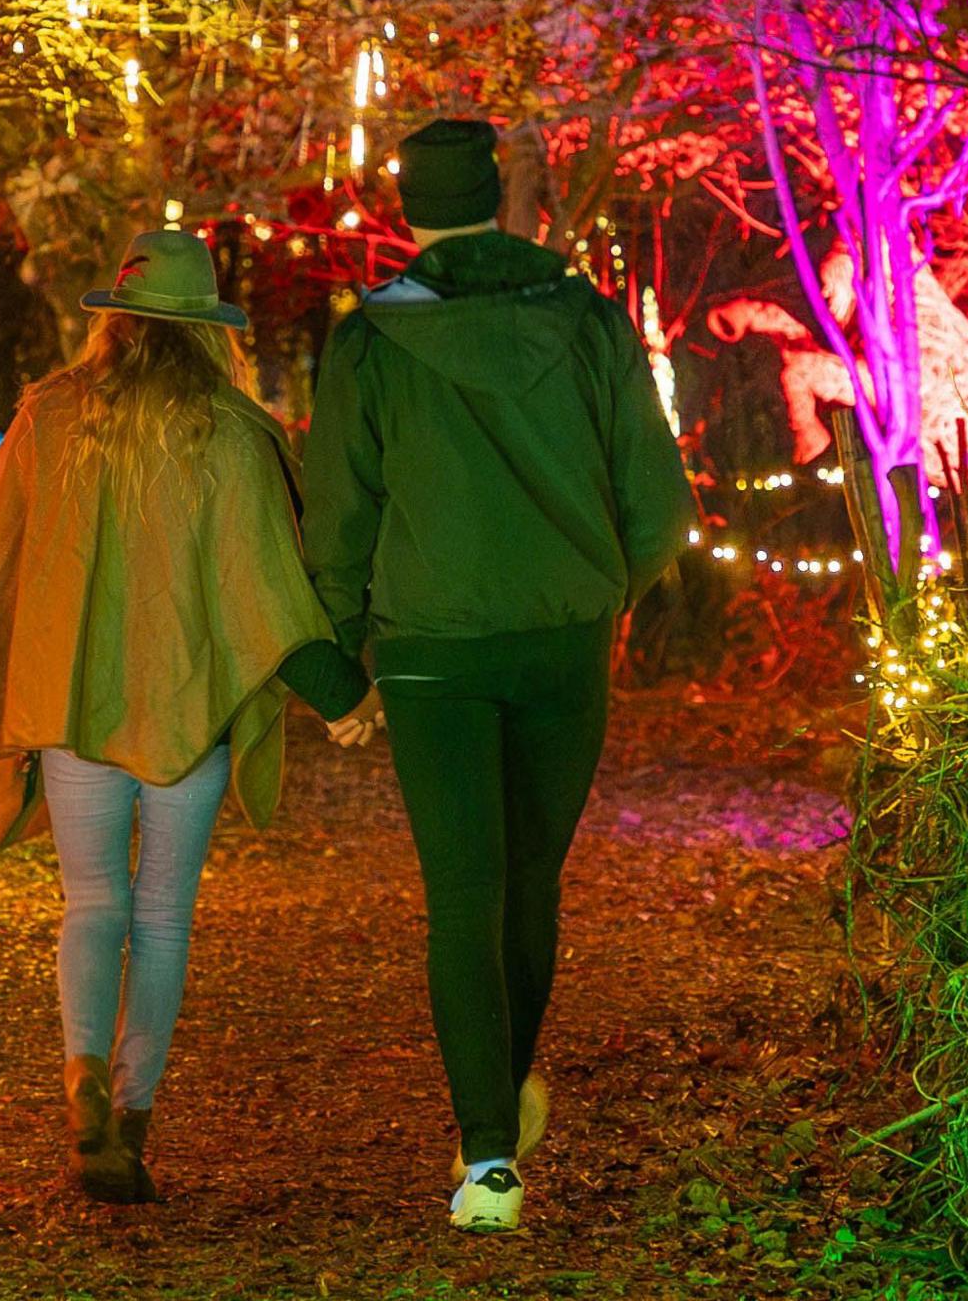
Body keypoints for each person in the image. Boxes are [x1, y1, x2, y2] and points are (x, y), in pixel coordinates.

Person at [302, 119, 695, 1234]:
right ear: (501, 201)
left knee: (462, 893)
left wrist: (341, 653)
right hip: (561, 636)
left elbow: (337, 512)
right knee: (530, 881)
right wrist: (600, 588)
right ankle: (506, 1092)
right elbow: (658, 503)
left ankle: (486, 1161)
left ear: (406, 212)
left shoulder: (369, 341)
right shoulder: (585, 321)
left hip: (429, 644)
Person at [0, 230, 378, 1204]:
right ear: (205, 329)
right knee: (163, 917)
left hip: (74, 708)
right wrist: (340, 693)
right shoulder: (233, 431)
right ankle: (130, 1120)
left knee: (92, 906)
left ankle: (82, 1081)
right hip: (190, 718)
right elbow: (266, 586)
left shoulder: (49, 417)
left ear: (116, 322)